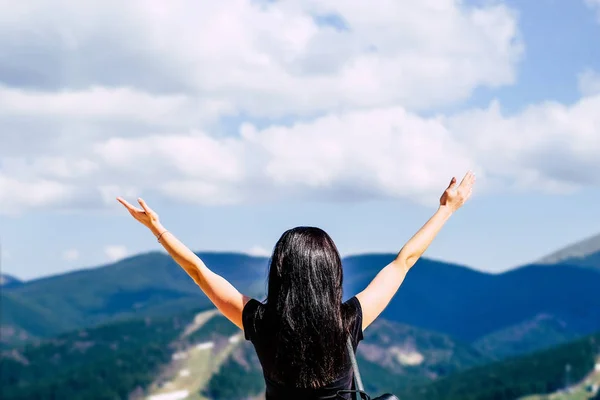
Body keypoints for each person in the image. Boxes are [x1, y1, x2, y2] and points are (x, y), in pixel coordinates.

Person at [117, 171, 475, 399]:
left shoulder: (259, 321)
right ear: (332, 272)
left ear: (280, 271)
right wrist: (447, 209)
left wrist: (157, 229)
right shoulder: (349, 320)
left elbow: (199, 271)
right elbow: (404, 261)